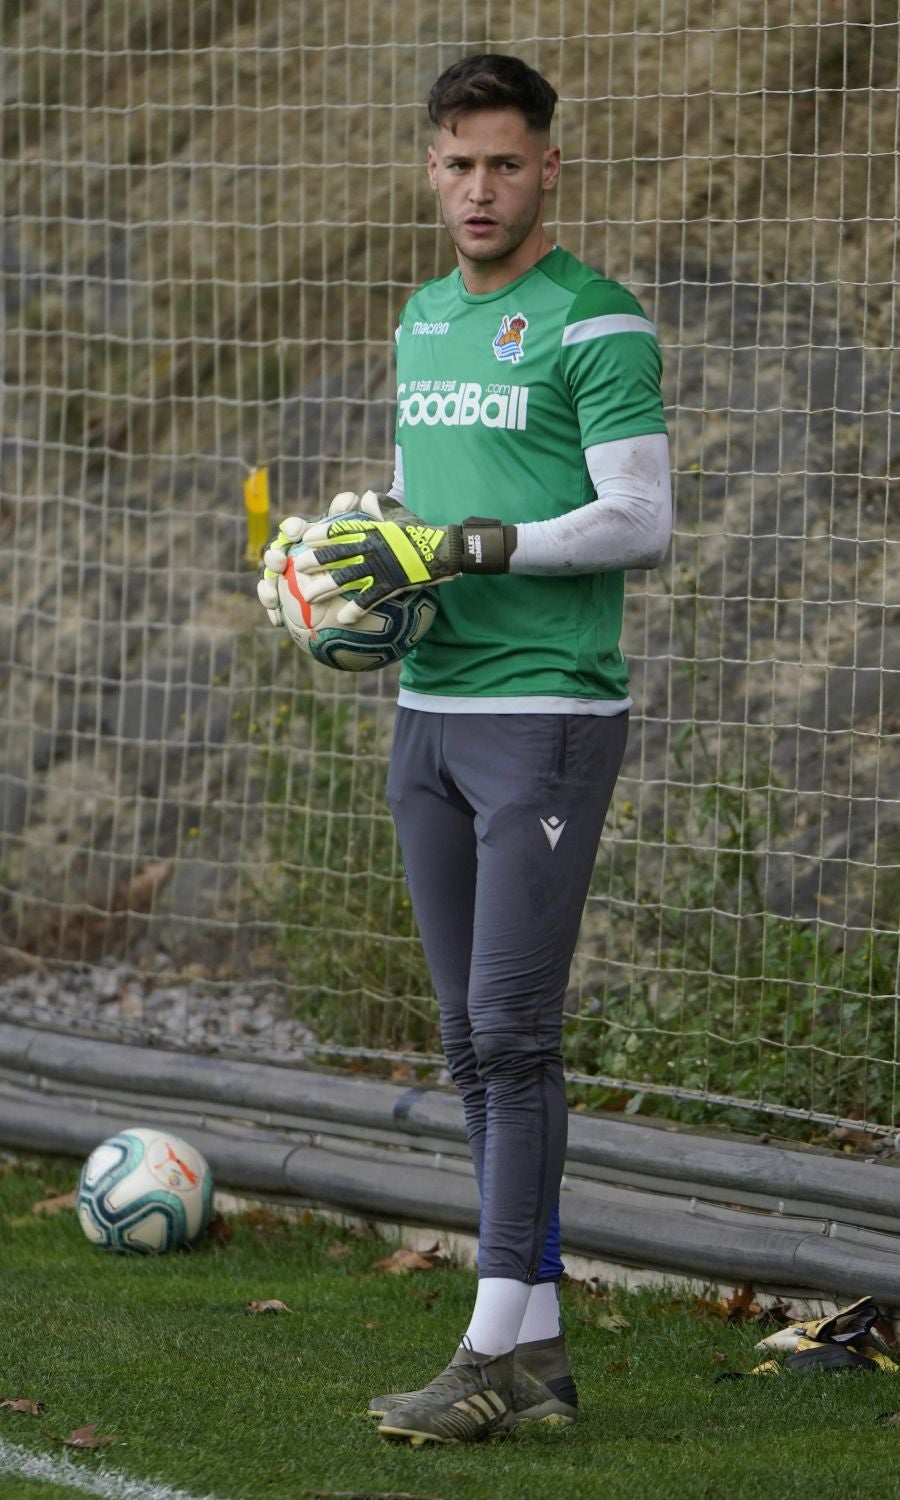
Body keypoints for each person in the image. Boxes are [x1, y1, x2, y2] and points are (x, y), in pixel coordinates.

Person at [258, 53, 671, 1445]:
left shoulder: (595, 322)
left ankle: (485, 1347)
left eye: (503, 161)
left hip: (548, 714)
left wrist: (470, 545)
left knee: (512, 1032)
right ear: (429, 169)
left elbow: (638, 522)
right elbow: (421, 521)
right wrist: (347, 582)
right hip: (429, 713)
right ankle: (542, 1354)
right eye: (456, 162)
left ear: (550, 164)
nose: (478, 187)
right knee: (468, 1042)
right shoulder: (422, 319)